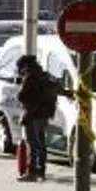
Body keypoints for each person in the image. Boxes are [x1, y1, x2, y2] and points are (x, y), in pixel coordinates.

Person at [16, 54, 58, 182]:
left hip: (33, 114)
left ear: (25, 66)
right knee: (41, 143)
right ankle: (41, 171)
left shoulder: (30, 77)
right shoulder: (44, 75)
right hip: (44, 114)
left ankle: (32, 172)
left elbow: (21, 96)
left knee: (33, 143)